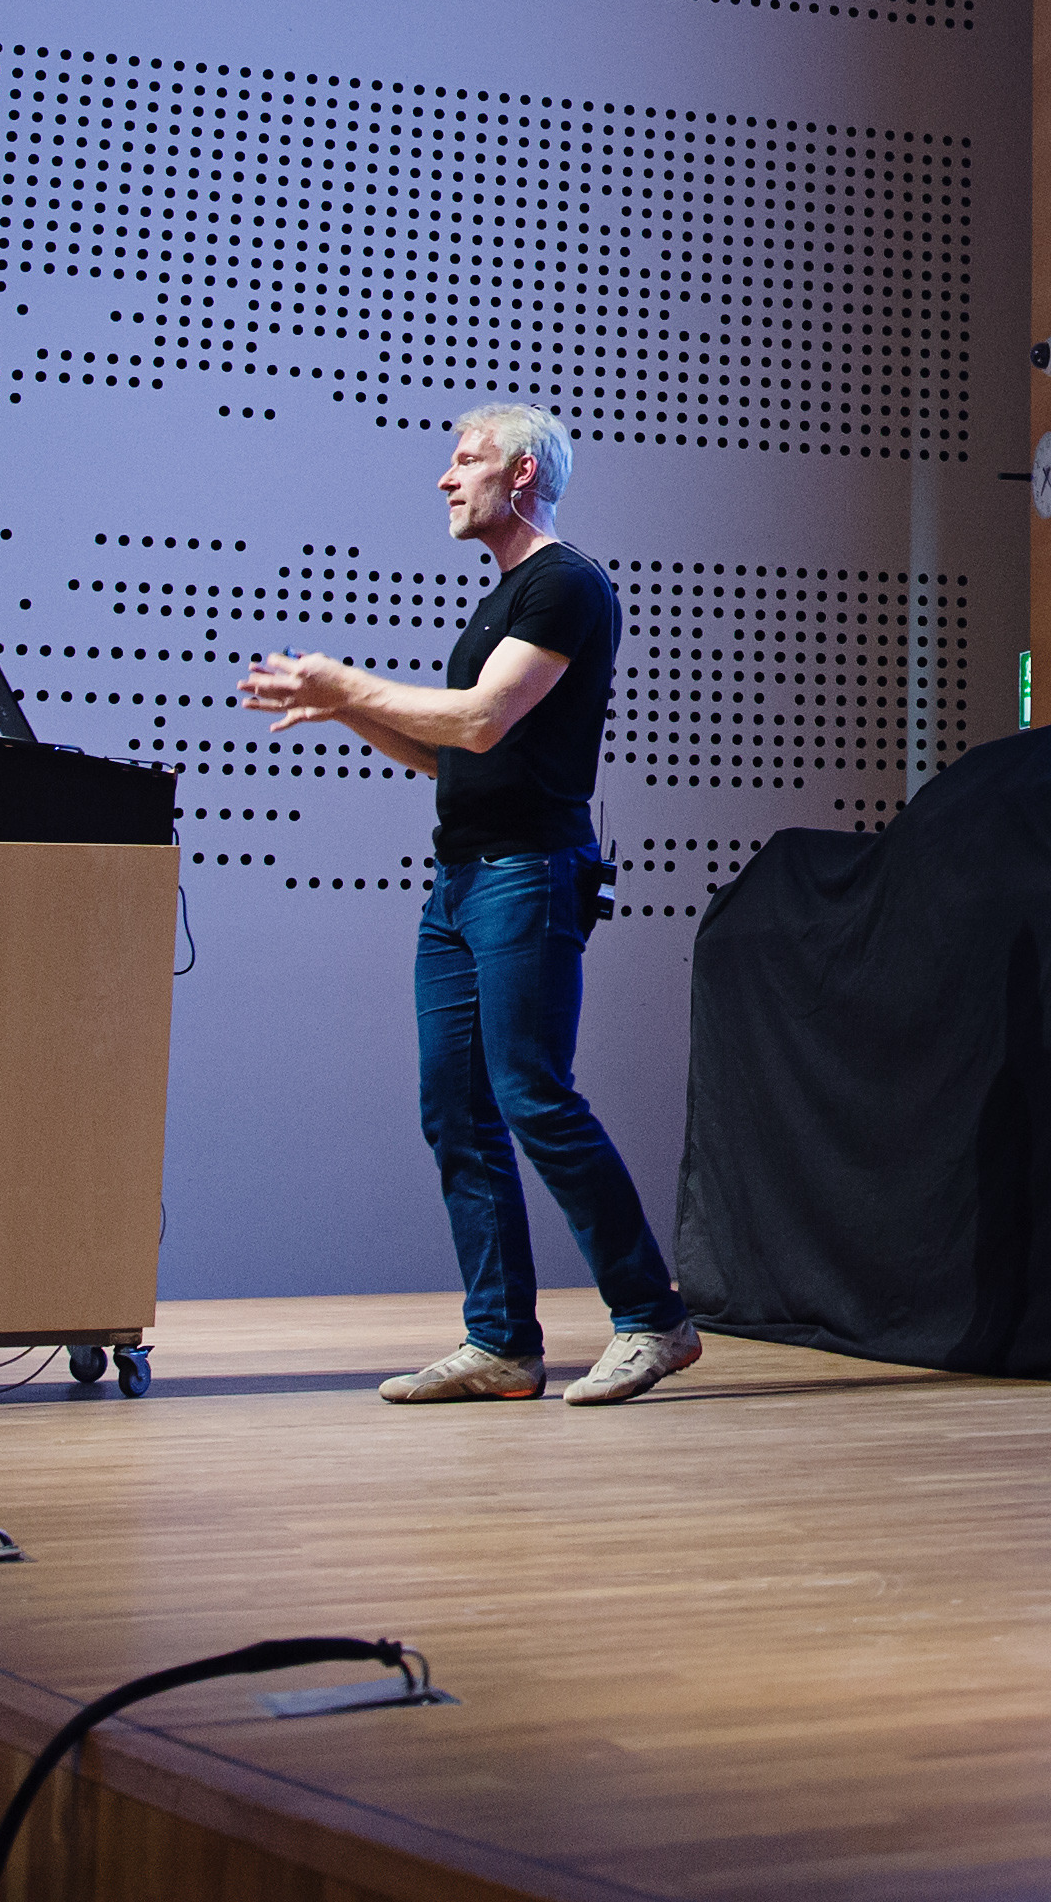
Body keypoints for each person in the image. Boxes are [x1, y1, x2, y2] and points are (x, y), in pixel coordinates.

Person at [237, 406, 704, 1410]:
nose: (446, 481)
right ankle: (500, 1344)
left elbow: (485, 720)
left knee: (533, 1094)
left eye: (465, 460)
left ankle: (653, 1320)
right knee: (455, 1107)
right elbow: (447, 751)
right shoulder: (498, 603)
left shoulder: (564, 583)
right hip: (461, 884)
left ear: (522, 471)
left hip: (528, 874)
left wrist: (351, 680)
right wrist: (349, 709)